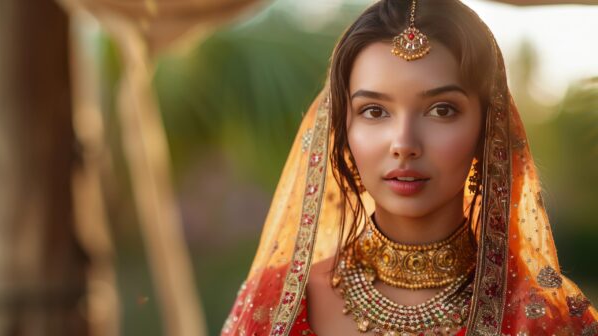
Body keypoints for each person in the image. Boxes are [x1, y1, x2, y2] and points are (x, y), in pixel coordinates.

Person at [221, 0, 598, 335]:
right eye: (374, 111)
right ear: (342, 131)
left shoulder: (543, 320)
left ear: (489, 129)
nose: (403, 143)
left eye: (441, 110)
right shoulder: (276, 304)